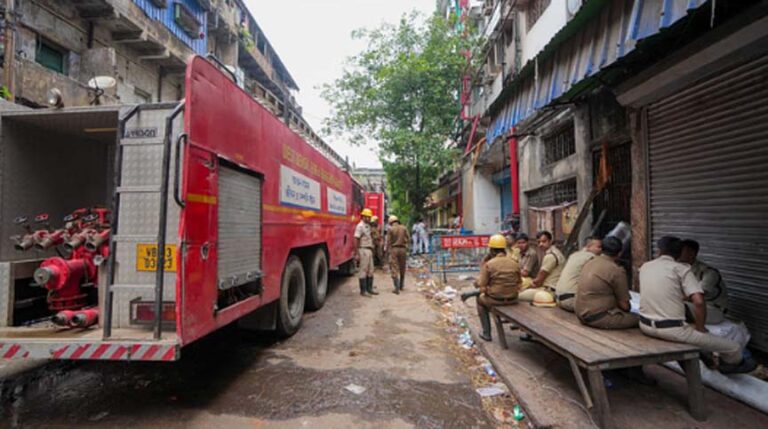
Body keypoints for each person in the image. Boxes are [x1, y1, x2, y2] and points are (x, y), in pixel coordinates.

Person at [639, 236, 755, 374]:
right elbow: (699, 301)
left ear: (659, 251)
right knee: (734, 348)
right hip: (672, 329)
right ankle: (725, 366)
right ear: (679, 253)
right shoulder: (681, 269)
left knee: (680, 310)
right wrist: (700, 328)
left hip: (645, 325)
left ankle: (707, 356)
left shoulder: (646, 266)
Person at [575, 237, 638, 329]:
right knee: (640, 319)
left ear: (602, 250)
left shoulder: (589, 262)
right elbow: (625, 306)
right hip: (598, 318)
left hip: (580, 314)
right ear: (619, 253)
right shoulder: (616, 270)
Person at [473, 234, 522, 341]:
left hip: (496, 300)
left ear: (491, 250)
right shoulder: (514, 263)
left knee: (479, 300)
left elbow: (481, 284)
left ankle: (486, 333)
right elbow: (519, 283)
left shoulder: (489, 264)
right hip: (514, 298)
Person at [679, 239, 730, 325]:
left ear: (692, 253)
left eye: (681, 251)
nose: (677, 254)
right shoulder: (681, 269)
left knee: (676, 306)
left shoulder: (709, 272)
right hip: (695, 307)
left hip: (712, 310)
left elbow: (696, 296)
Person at [556, 237, 602, 312]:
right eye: (598, 247)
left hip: (558, 298)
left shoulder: (574, 255)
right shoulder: (591, 257)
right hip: (570, 300)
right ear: (589, 246)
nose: (601, 250)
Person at [519, 231, 564, 301]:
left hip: (548, 291)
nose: (541, 244)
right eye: (539, 242)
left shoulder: (550, 256)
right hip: (550, 289)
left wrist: (527, 288)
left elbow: (538, 281)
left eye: (544, 241)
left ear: (550, 241)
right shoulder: (556, 252)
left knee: (517, 295)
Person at [354, 208, 378, 297]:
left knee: (371, 270)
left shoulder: (368, 226)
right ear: (363, 216)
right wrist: (356, 253)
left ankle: (369, 289)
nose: (368, 218)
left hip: (369, 250)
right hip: (363, 249)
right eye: (366, 217)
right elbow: (356, 239)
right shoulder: (360, 226)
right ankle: (363, 291)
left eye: (369, 217)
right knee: (363, 270)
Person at [386, 215, 409, 294]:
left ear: (391, 222)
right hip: (403, 249)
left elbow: (388, 241)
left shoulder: (391, 229)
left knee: (394, 267)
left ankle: (396, 287)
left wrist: (387, 252)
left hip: (394, 249)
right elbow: (408, 238)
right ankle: (401, 285)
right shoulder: (404, 228)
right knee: (402, 267)